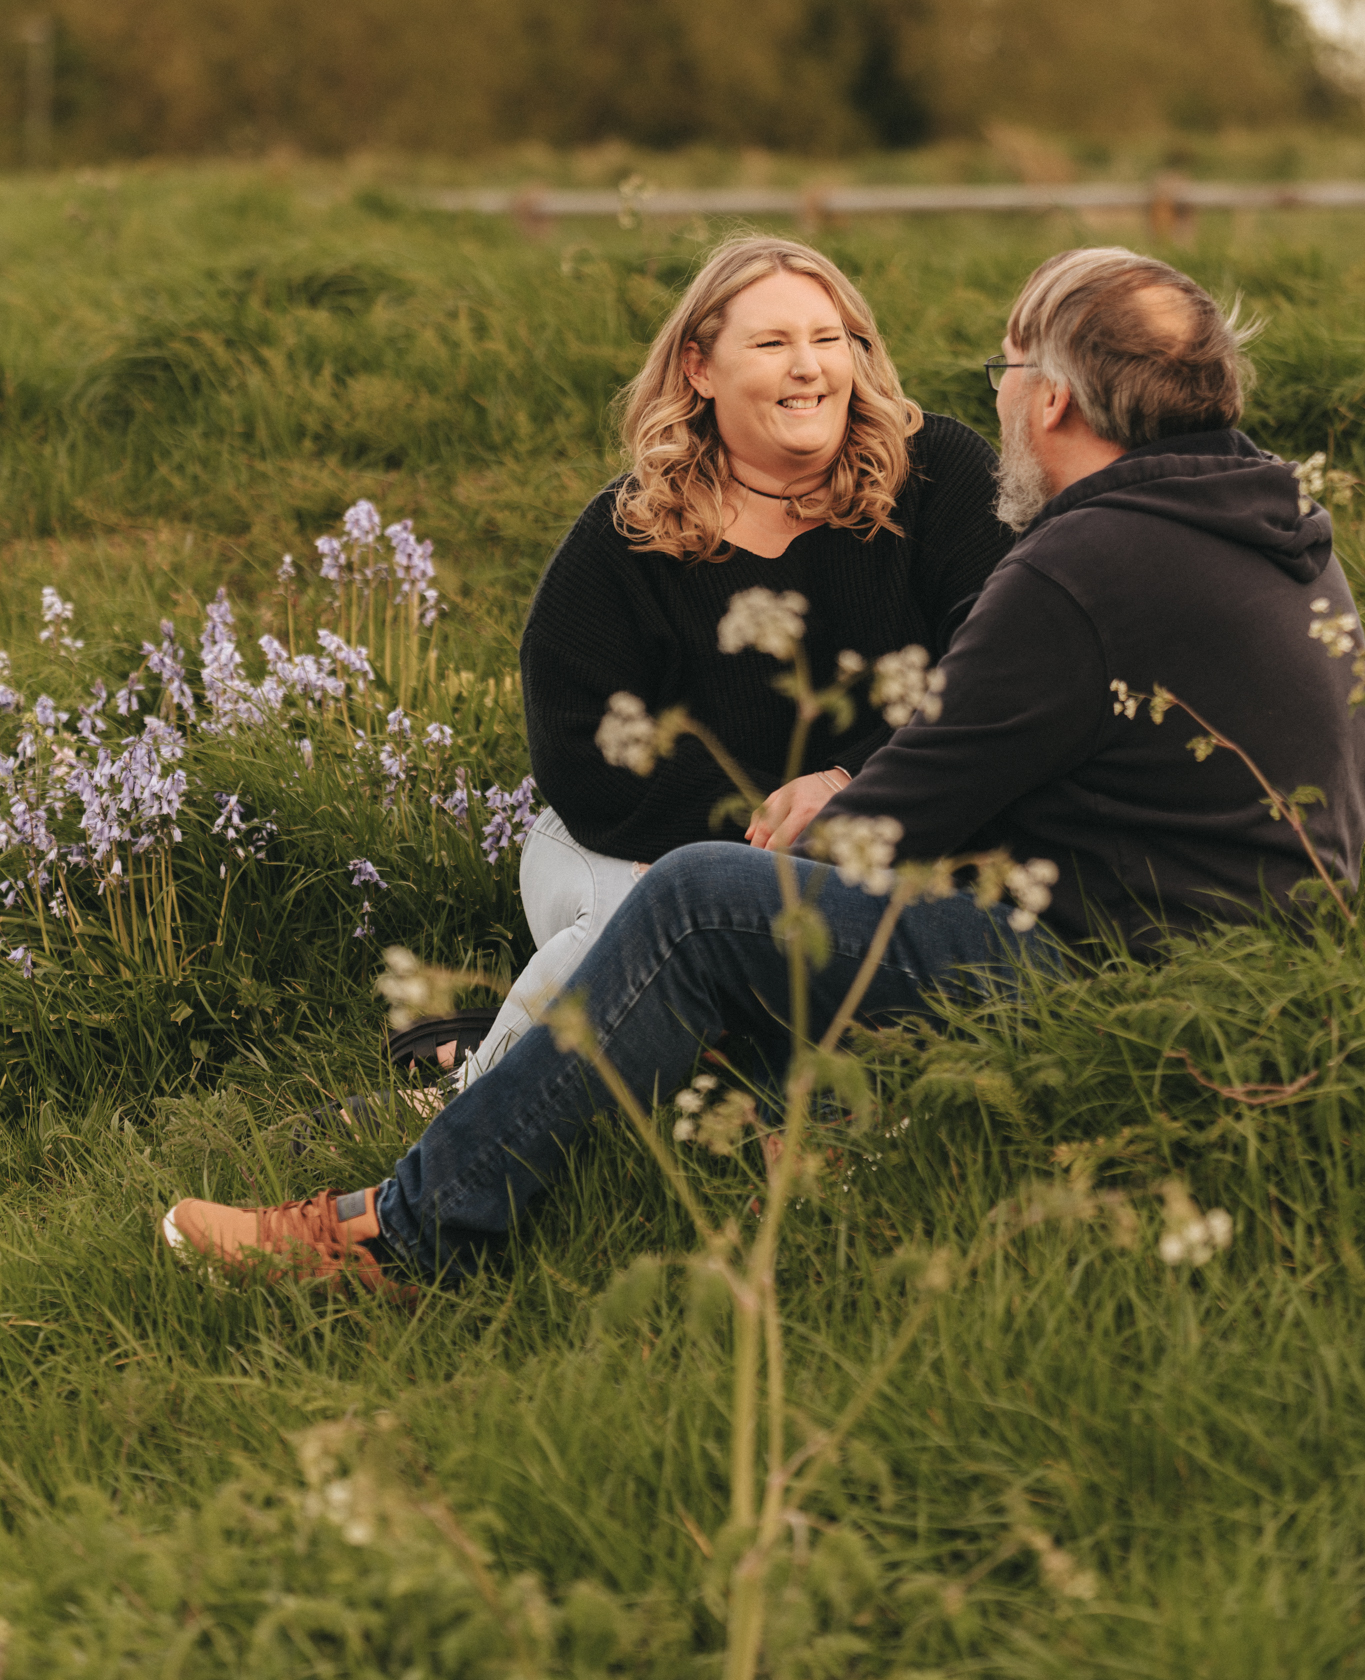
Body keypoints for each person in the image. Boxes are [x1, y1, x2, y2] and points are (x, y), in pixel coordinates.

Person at [163, 245, 1365, 1294]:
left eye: (1004, 380)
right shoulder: (1272, 530)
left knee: (696, 905)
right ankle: (805, 1136)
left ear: (1050, 399)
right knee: (735, 922)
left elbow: (895, 818)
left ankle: (404, 1235)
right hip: (1247, 974)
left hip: (1111, 979)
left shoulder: (1081, 563)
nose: (996, 409)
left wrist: (802, 821)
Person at [420, 232, 1008, 1096]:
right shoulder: (630, 532)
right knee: (637, 918)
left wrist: (850, 781)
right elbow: (579, 747)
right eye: (772, 344)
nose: (809, 367)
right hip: (622, 841)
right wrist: (743, 848)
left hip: (877, 830)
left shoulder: (940, 475)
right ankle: (468, 1104)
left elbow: (994, 660)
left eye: (829, 338)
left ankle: (521, 1076)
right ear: (699, 369)